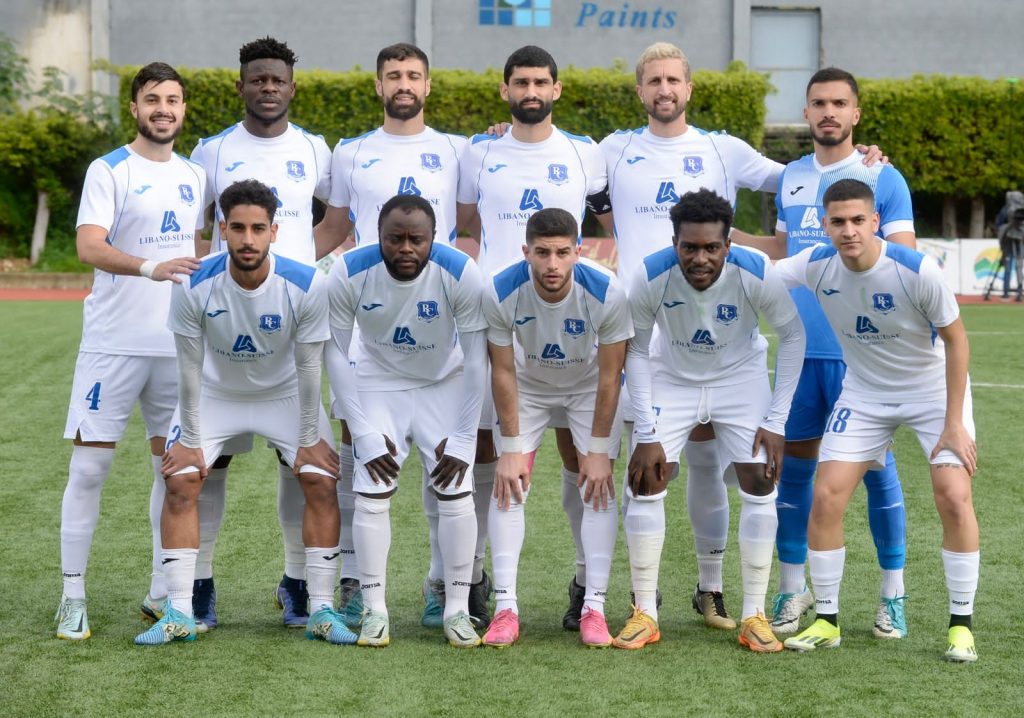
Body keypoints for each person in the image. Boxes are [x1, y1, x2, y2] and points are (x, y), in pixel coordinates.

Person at [600, 41, 782, 630]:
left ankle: (713, 589)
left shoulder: (723, 149)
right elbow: (549, 165)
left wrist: (858, 160)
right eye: (653, 80)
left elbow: (796, 181)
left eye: (673, 80)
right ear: (640, 90)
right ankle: (639, 601)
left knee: (711, 469)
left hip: (723, 344)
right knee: (647, 472)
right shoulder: (612, 150)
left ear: (689, 88)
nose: (664, 89)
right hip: (650, 342)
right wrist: (501, 136)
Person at [135, 179, 352, 646]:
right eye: (237, 228)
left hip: (284, 394)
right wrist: (191, 440)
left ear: (274, 231)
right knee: (181, 479)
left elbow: (309, 367)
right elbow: (188, 367)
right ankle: (179, 610)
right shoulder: (192, 281)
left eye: (257, 229)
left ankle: (320, 608)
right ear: (222, 230)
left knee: (319, 477)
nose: (248, 239)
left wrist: (309, 438)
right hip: (216, 393)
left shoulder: (307, 282)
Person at [739, 67, 916, 639]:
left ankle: (892, 595)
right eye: (819, 103)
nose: (829, 112)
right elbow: (784, 249)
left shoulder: (882, 176)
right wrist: (727, 238)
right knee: (792, 469)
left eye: (840, 103)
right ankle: (793, 589)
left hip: (861, 355)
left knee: (876, 470)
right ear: (806, 112)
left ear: (856, 113)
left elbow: (904, 259)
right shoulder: (792, 176)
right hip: (800, 352)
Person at [774, 178, 980, 662]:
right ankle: (827, 621)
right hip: (865, 393)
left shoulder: (915, 269)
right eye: (838, 222)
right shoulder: (814, 264)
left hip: (931, 392)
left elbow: (957, 340)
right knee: (827, 495)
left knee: (953, 495)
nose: (848, 231)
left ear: (875, 221)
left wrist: (954, 423)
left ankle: (961, 627)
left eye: (857, 220)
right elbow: (755, 272)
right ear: (824, 225)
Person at [313, 43, 477, 631]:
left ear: (428, 85)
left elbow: (474, 221)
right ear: (378, 84)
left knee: (451, 482)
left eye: (413, 75)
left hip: (440, 349)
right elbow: (333, 228)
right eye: (393, 75)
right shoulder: (350, 151)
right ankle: (361, 591)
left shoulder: (460, 149)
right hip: (373, 351)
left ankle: (447, 596)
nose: (403, 83)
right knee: (366, 470)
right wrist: (283, 278)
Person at [458, 45, 610, 631]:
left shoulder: (586, 152)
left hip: (571, 327)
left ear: (556, 89)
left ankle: (585, 587)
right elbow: (464, 226)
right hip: (497, 320)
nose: (530, 92)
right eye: (520, 82)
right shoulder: (478, 150)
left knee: (580, 458)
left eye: (540, 82)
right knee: (489, 455)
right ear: (505, 90)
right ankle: (473, 581)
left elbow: (612, 222)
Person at [183, 37, 333, 630]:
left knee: (299, 459)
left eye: (277, 80)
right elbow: (200, 227)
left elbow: (336, 216)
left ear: (292, 87)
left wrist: (297, 268)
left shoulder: (315, 148)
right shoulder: (211, 150)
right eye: (258, 79)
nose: (268, 88)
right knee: (208, 462)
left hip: (293, 319)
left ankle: (297, 582)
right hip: (227, 321)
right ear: (240, 85)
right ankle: (195, 585)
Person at [619, 189, 805, 653]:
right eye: (689, 247)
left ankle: (754, 615)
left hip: (739, 379)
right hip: (672, 378)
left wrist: (776, 420)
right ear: (675, 243)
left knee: (761, 479)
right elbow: (636, 349)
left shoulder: (755, 270)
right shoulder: (650, 274)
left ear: (728, 244)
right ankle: (645, 612)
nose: (700, 258)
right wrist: (645, 431)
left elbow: (792, 335)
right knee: (646, 480)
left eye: (711, 248)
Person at [55, 62, 203, 641]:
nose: (163, 109)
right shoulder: (109, 169)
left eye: (173, 100)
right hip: (112, 346)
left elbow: (196, 253)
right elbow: (89, 246)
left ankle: (161, 592)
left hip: (175, 348)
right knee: (89, 466)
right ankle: (72, 596)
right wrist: (149, 267)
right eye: (153, 99)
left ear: (183, 109)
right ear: (135, 108)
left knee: (172, 473)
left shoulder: (194, 175)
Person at [325, 194, 487, 648]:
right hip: (377, 382)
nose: (406, 249)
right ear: (377, 236)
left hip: (443, 383)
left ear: (435, 238)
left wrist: (464, 437)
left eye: (417, 239)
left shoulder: (460, 270)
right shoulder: (348, 270)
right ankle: (375, 610)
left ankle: (456, 610)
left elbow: (477, 358)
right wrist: (362, 432)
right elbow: (335, 351)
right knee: (372, 490)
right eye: (394, 239)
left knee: (456, 490)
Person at [481, 208, 632, 648]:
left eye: (562, 253)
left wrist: (599, 449)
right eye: (542, 253)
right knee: (508, 484)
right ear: (525, 251)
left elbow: (611, 375)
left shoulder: (606, 290)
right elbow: (502, 370)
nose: (552, 264)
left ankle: (594, 608)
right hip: (528, 386)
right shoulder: (500, 289)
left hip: (587, 386)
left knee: (598, 485)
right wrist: (510, 447)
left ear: (578, 251)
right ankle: (505, 608)